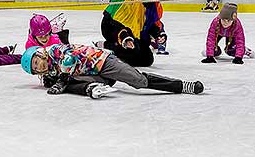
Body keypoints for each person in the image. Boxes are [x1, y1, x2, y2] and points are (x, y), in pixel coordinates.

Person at [21, 44, 204, 99]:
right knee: (65, 81)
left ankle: (182, 86)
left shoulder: (55, 51)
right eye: (35, 69)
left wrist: (62, 79)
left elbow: (69, 59)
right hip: (94, 76)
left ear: (40, 54)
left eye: (36, 62)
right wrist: (56, 81)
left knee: (138, 81)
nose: (39, 67)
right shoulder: (49, 71)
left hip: (103, 62)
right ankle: (95, 87)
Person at [99, 0, 168, 66]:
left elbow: (151, 23)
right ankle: (108, 45)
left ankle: (122, 46)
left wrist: (158, 35)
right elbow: (116, 21)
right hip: (112, 26)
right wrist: (125, 37)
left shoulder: (154, 1)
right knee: (131, 53)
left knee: (147, 59)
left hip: (136, 30)